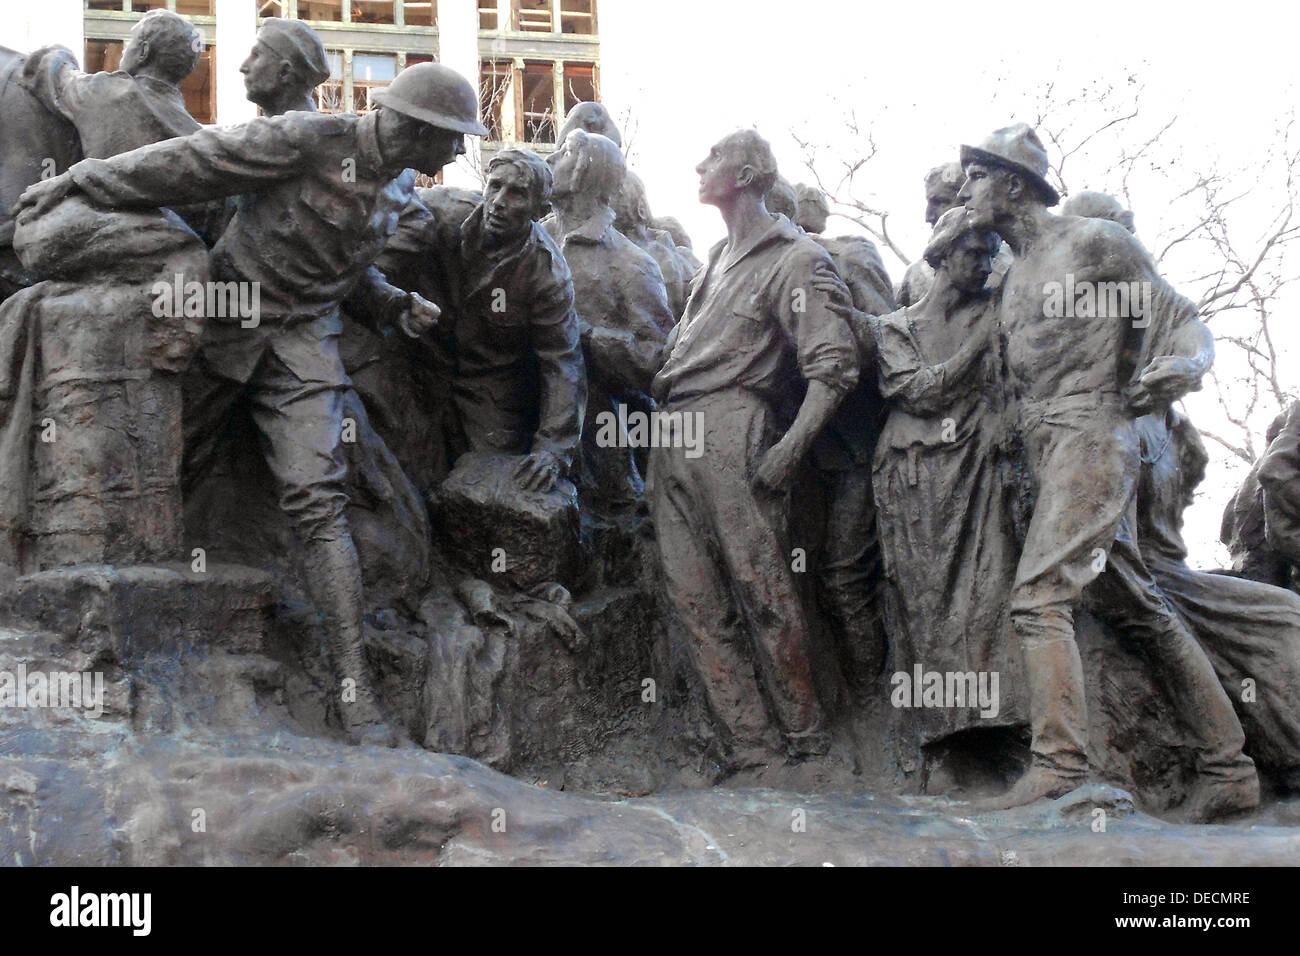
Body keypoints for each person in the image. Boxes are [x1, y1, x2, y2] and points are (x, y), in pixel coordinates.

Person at [16, 62, 487, 747]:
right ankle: (97, 639)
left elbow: (344, 273)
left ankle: (353, 694)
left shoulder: (397, 193)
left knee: (318, 501)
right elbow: (193, 163)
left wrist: (391, 303)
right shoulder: (309, 139)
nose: (457, 154)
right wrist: (83, 180)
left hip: (304, 346)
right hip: (224, 320)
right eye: (452, 139)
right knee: (161, 468)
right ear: (414, 128)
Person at [957, 123, 1258, 820]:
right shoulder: (1014, 272)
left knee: (1040, 599)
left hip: (1094, 436)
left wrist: (1185, 365)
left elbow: (1182, 319)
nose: (966, 187)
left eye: (976, 174)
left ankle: (1060, 765)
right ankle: (1230, 766)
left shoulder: (1092, 243)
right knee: (1139, 607)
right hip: (1046, 447)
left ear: (1013, 183)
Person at [650, 129, 860, 769]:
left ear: (744, 174)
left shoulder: (795, 257)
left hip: (734, 424)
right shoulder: (713, 260)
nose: (698, 162)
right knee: (694, 598)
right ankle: (752, 746)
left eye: (711, 156)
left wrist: (788, 452)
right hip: (673, 428)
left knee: (762, 590)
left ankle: (807, 740)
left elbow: (835, 367)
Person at [872, 207, 1025, 770]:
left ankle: (996, 730)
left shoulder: (996, 313)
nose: (984, 265)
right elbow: (915, 391)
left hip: (978, 472)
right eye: (972, 253)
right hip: (915, 479)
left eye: (990, 254)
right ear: (941, 255)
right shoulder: (896, 328)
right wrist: (975, 348)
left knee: (988, 596)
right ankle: (938, 737)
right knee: (924, 602)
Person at [405, 148, 586, 492]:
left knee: (490, 487)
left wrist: (553, 448)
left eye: (517, 193)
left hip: (490, 391)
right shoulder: (441, 210)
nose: (499, 201)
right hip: (421, 366)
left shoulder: (547, 274)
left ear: (540, 210)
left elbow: (562, 362)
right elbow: (381, 219)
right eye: (495, 186)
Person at [543, 129, 672, 507]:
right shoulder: (536, 238)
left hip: (600, 439)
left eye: (563, 153)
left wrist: (583, 334)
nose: (550, 160)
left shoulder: (631, 264)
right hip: (529, 415)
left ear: (588, 175)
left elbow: (654, 359)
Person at [240, 18, 330, 117]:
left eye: (256, 55)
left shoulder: (310, 131)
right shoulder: (261, 130)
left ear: (285, 72)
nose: (243, 68)